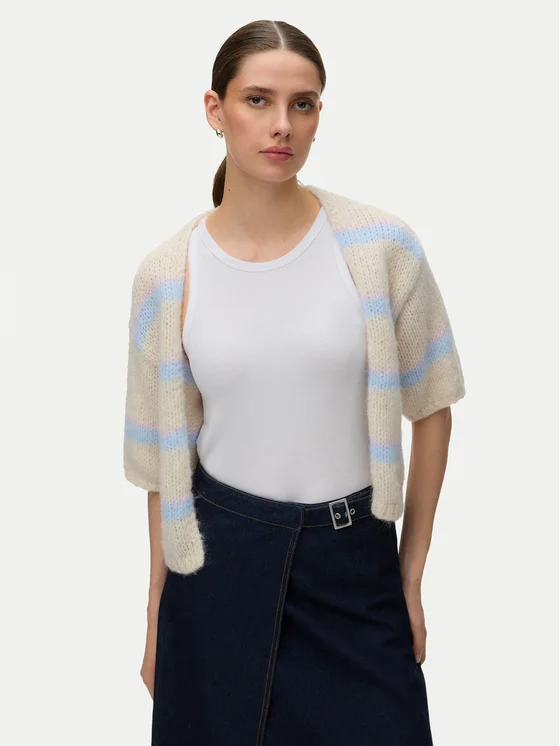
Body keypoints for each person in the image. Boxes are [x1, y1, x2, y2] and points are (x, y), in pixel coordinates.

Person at [123, 18, 466, 746]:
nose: (282, 124)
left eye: (302, 104)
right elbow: (162, 463)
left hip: (354, 566)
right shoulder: (166, 275)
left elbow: (433, 405)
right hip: (213, 570)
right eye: (258, 100)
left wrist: (409, 576)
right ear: (215, 110)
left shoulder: (380, 247)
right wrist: (156, 613)